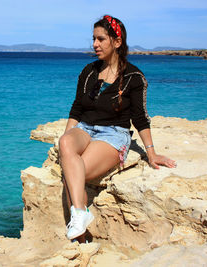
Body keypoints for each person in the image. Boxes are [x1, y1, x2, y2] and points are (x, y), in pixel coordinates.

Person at [58, 15, 177, 241]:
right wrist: (68, 139)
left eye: (101, 39)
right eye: (93, 39)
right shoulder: (88, 71)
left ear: (117, 42)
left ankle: (80, 240)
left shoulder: (134, 77)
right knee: (65, 142)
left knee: (74, 173)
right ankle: (81, 215)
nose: (95, 44)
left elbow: (140, 118)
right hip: (84, 128)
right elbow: (76, 109)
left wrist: (150, 153)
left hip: (113, 133)